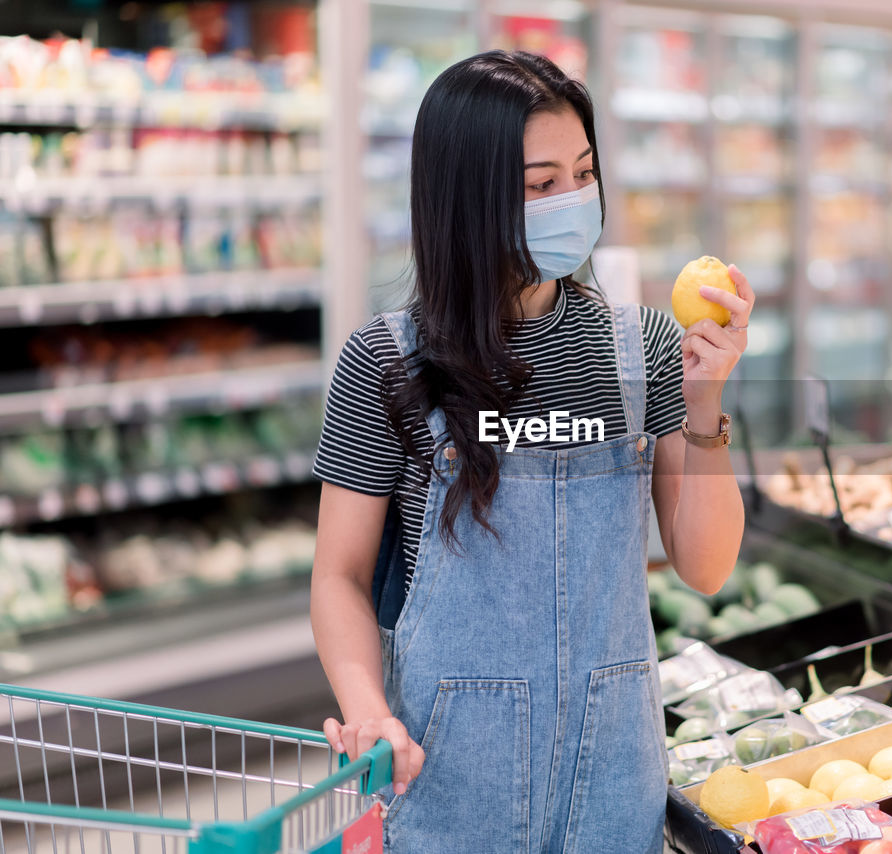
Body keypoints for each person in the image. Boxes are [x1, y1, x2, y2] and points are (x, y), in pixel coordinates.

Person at [309, 50, 751, 853]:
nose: (573, 201)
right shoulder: (387, 361)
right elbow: (338, 575)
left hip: (616, 776)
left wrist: (705, 401)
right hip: (447, 778)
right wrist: (367, 708)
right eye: (541, 185)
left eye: (583, 174)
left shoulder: (640, 347)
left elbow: (707, 566)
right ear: (466, 199)